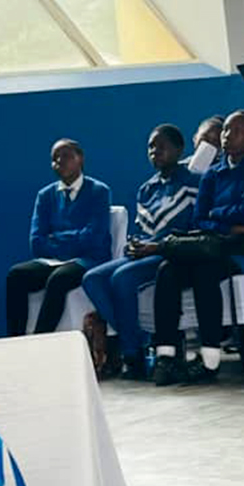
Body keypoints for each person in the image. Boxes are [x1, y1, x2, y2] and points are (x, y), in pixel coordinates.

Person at [149, 111, 244, 386]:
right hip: (220, 244)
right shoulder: (212, 174)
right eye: (226, 130)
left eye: (237, 131)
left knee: (205, 271)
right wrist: (232, 225)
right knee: (167, 270)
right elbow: (199, 219)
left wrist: (218, 215)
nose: (227, 136)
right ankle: (166, 355)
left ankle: (210, 359)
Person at [81, 125, 200, 379]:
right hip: (145, 250)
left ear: (179, 150)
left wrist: (154, 245)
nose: (155, 151)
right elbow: (143, 229)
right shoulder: (147, 189)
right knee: (92, 278)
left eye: (162, 146)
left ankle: (132, 355)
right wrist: (134, 244)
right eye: (151, 147)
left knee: (122, 278)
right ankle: (139, 338)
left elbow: (193, 228)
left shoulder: (193, 182)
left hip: (171, 251)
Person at [6, 140, 112, 337]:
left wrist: (57, 238)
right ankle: (16, 340)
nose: (59, 162)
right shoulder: (45, 195)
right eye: (54, 159)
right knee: (16, 275)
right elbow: (36, 242)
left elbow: (94, 237)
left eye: (66, 156)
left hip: (89, 259)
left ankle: (41, 339)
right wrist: (72, 239)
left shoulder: (99, 191)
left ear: (80, 159)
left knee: (59, 278)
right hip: (53, 260)